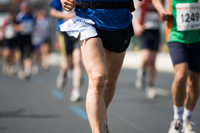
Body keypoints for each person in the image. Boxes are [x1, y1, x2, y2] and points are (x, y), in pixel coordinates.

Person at [60, 0, 136, 132]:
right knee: (98, 78)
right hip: (88, 16)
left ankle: (102, 115)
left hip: (119, 19)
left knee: (109, 85)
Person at [152, 0, 200, 132]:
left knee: (194, 82)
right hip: (176, 36)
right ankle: (177, 120)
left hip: (197, 38)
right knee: (180, 76)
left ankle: (187, 119)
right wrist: (161, 9)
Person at [50, 0, 82, 102]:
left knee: (77, 60)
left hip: (79, 30)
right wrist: (65, 15)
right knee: (68, 63)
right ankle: (63, 72)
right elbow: (52, 12)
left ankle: (75, 90)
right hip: (65, 31)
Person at [132, 0, 162, 99]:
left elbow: (164, 12)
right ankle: (142, 71)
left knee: (153, 61)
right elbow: (133, 11)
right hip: (144, 31)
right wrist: (136, 25)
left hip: (155, 31)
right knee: (146, 58)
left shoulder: (160, 1)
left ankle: (151, 86)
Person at [14, 1, 34, 80]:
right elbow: (13, 25)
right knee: (21, 54)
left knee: (28, 54)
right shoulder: (19, 16)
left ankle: (27, 71)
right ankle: (20, 67)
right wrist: (18, 28)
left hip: (28, 36)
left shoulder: (31, 16)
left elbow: (34, 24)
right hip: (20, 37)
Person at [32, 9, 51, 75]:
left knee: (44, 50)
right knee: (37, 53)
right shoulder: (36, 21)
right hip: (37, 39)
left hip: (44, 38)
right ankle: (36, 64)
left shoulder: (47, 20)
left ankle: (45, 62)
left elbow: (48, 27)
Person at [1, 11, 18, 76]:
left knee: (13, 54)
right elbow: (2, 27)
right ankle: (6, 63)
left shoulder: (15, 21)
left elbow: (18, 28)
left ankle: (11, 66)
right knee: (6, 53)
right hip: (7, 39)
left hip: (13, 39)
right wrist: (3, 34)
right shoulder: (6, 21)